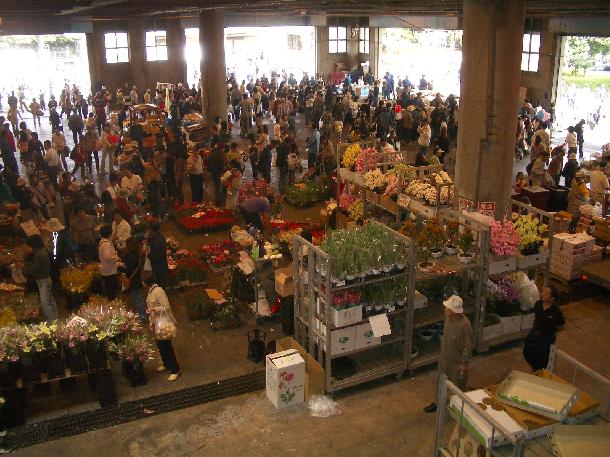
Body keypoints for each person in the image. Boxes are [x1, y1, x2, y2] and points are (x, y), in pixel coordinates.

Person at [423, 295, 472, 413]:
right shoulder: (448, 319)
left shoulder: (465, 325)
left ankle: (461, 407)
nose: (445, 309)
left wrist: (464, 363)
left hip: (457, 362)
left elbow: (468, 345)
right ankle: (438, 402)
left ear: (453, 311)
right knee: (441, 382)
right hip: (445, 358)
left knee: (458, 385)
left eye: (447, 308)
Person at [143, 275, 181, 381]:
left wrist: (154, 309)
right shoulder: (151, 291)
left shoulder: (158, 291)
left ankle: (175, 369)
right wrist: (151, 321)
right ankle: (166, 364)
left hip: (164, 323)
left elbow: (166, 306)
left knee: (167, 347)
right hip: (157, 323)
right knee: (161, 346)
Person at [523, 286, 565, 371]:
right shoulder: (538, 304)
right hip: (534, 334)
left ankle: (538, 371)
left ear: (552, 298)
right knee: (527, 352)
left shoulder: (556, 312)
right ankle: (537, 369)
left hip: (546, 339)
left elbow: (561, 326)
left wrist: (551, 330)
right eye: (543, 291)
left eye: (546, 293)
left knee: (543, 359)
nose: (542, 294)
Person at [23, 235, 58, 322]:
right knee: (50, 299)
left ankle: (50, 321)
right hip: (46, 279)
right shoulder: (41, 252)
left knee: (44, 302)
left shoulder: (40, 254)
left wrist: (24, 267)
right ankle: (54, 317)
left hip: (43, 280)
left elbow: (35, 268)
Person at [121, 237, 147, 322]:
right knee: (138, 297)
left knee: (137, 298)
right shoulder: (138, 254)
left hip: (132, 281)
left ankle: (143, 316)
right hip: (137, 278)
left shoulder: (129, 256)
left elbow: (128, 269)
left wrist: (122, 269)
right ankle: (142, 314)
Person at [99, 224, 121, 300]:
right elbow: (107, 256)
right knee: (112, 291)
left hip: (107, 270)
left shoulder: (104, 242)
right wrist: (116, 258)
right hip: (109, 271)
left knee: (110, 290)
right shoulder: (106, 244)